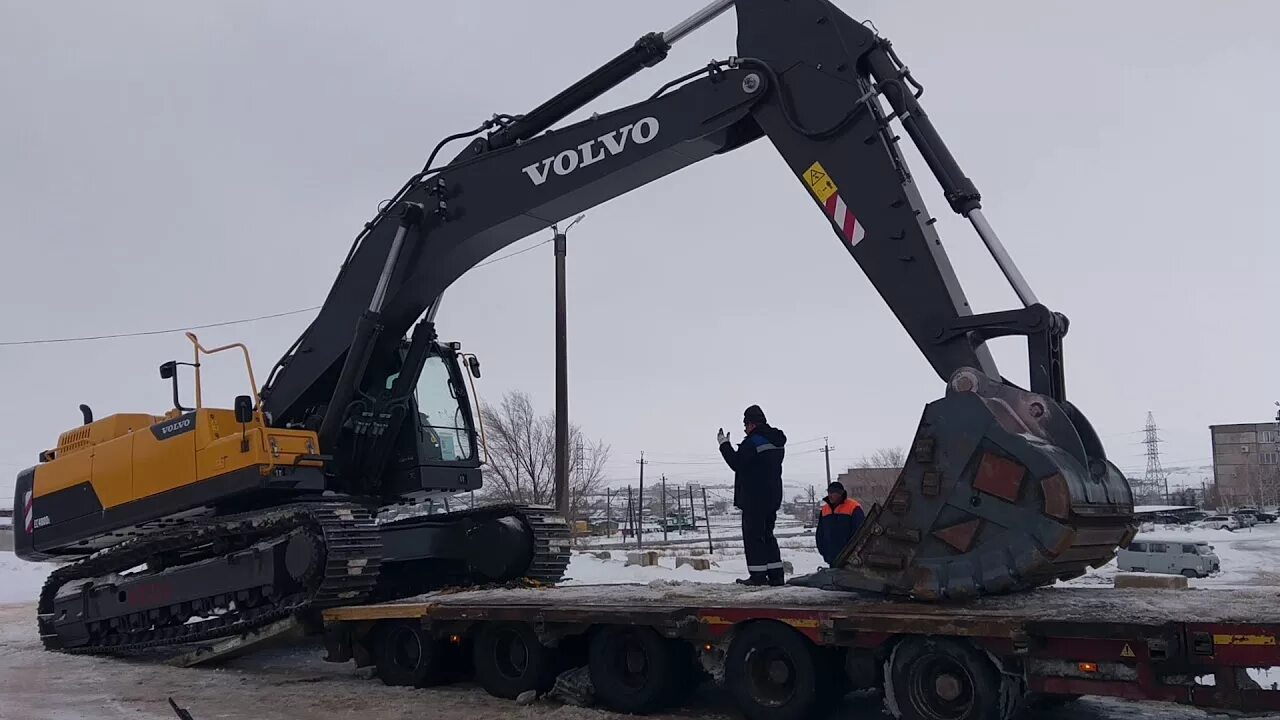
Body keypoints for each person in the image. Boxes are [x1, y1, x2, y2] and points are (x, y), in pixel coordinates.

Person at [718, 404, 787, 586]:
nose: (745, 429)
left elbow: (736, 463)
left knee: (754, 537)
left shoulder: (753, 442)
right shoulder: (776, 441)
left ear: (751, 424)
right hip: (772, 497)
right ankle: (776, 575)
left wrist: (724, 445)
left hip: (754, 498)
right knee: (768, 535)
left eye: (745, 425)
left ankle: (757, 576)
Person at [816, 481, 865, 567]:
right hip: (831, 558)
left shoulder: (853, 507)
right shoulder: (825, 509)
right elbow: (820, 533)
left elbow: (860, 532)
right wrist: (824, 552)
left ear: (840, 493)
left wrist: (852, 551)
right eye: (829, 492)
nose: (830, 495)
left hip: (851, 559)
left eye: (833, 492)